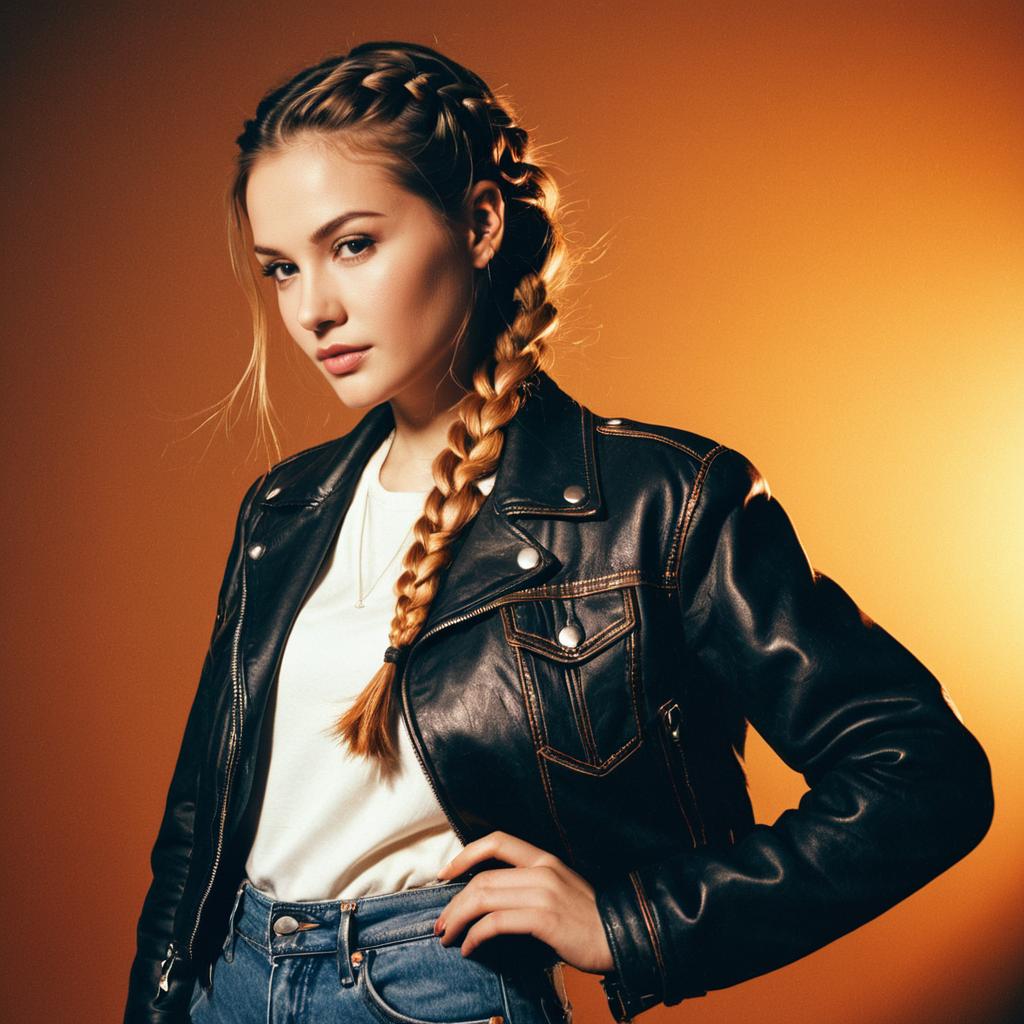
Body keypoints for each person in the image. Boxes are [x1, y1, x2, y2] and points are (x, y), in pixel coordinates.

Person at [124, 40, 994, 1024]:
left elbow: (922, 773)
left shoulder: (660, 502)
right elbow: (197, 831)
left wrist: (629, 923)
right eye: (281, 268)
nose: (313, 308)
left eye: (352, 244)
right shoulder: (284, 511)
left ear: (480, 221)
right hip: (224, 986)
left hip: (425, 993)